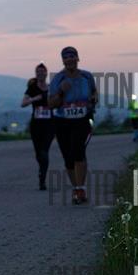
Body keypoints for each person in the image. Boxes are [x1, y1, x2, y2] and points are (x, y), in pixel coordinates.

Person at [48, 47, 98, 205]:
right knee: (68, 157)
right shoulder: (58, 79)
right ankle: (76, 187)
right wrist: (60, 92)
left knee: (78, 151)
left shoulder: (87, 76)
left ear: (77, 58)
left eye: (72, 56)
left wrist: (93, 99)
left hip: (83, 119)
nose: (69, 59)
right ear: (63, 60)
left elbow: (94, 92)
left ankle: (80, 189)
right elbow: (51, 104)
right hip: (62, 121)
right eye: (66, 57)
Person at [21, 62, 54, 190]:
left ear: (46, 73)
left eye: (42, 72)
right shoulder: (32, 88)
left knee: (44, 151)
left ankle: (43, 178)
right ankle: (41, 169)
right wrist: (35, 98)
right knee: (38, 153)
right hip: (36, 125)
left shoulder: (51, 88)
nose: (40, 74)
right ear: (36, 74)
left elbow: (59, 102)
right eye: (38, 72)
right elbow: (23, 103)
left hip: (50, 124)